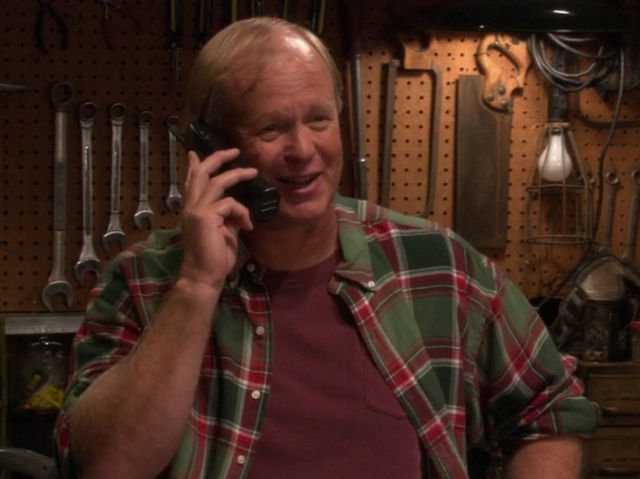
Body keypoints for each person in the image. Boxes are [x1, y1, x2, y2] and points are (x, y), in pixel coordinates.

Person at [54, 17, 598, 479]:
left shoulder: (437, 264)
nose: (302, 149)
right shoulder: (145, 282)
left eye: (318, 119)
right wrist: (197, 286)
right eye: (271, 128)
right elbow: (106, 465)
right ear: (213, 147)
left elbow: (548, 407)